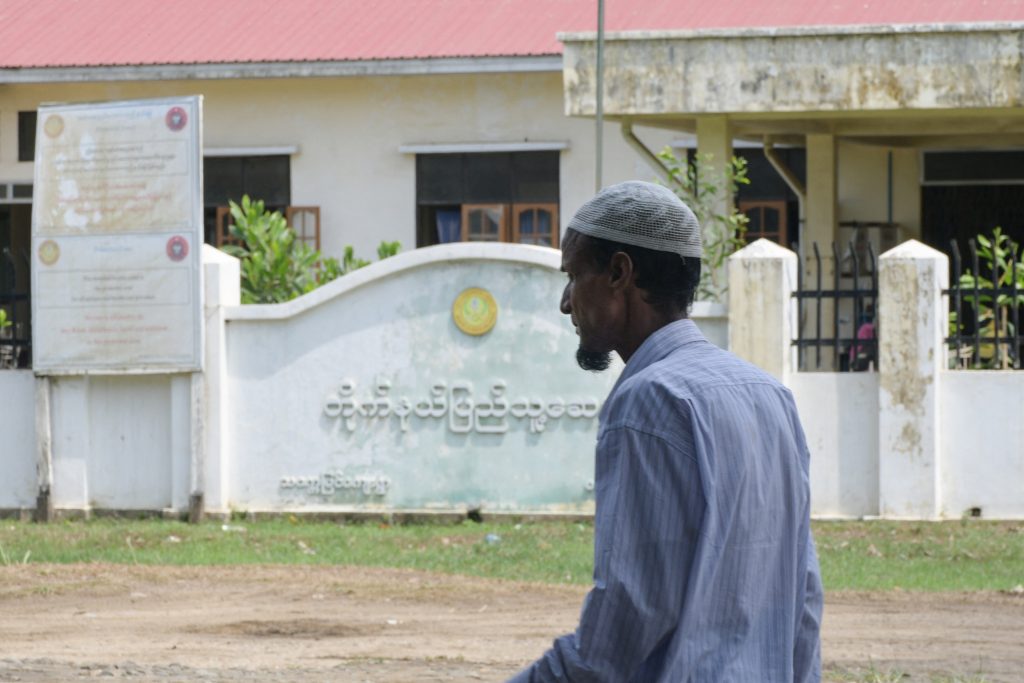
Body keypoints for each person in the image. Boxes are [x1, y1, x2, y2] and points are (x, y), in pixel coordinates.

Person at [508, 181, 823, 682]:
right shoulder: (770, 396)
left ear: (618, 272)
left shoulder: (649, 401)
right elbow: (802, 596)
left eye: (573, 276)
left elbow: (628, 621)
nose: (566, 303)